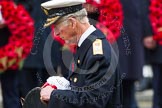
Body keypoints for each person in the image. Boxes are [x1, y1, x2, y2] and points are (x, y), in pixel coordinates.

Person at [40, 0, 122, 108]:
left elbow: (92, 102)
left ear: (73, 22)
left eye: (57, 26)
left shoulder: (97, 54)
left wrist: (53, 94)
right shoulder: (86, 46)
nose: (55, 33)